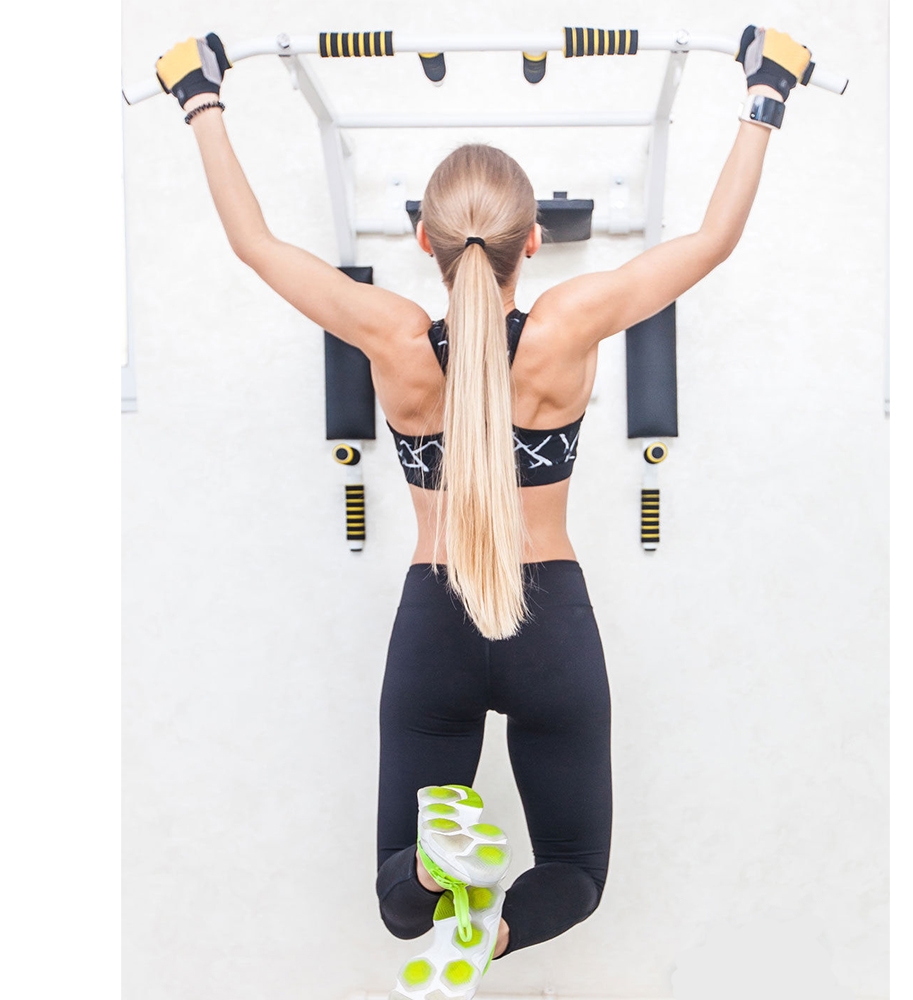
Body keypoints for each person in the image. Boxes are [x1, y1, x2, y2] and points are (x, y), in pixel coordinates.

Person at [152, 24, 813, 1000]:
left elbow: (254, 247)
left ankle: (437, 866)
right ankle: (494, 931)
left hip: (436, 620)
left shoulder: (388, 334)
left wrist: (198, 95)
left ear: (423, 240)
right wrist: (768, 91)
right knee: (575, 873)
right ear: (531, 240)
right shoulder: (571, 325)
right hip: (551, 625)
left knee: (398, 900)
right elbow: (712, 241)